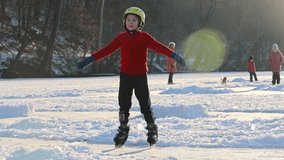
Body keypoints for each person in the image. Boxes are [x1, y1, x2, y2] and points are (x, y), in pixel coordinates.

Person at [77, 7, 185, 147]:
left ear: (140, 23)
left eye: (134, 20)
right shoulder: (121, 37)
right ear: (124, 21)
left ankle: (152, 128)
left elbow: (159, 47)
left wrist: (174, 55)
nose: (131, 22)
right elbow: (107, 50)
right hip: (125, 76)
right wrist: (89, 59)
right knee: (123, 104)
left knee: (145, 104)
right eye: (128, 20)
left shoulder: (145, 37)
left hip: (140, 76)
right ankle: (123, 129)